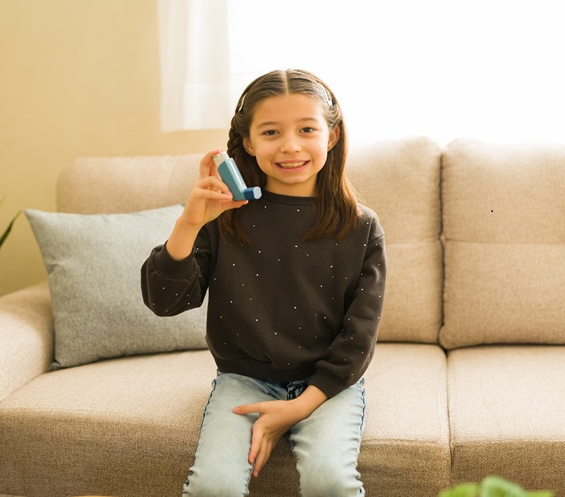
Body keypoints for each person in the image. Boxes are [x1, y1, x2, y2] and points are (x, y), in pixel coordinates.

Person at [141, 68, 386, 496]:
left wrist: (297, 408)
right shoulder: (224, 217)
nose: (290, 145)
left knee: (330, 481)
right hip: (244, 379)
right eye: (271, 132)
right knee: (211, 488)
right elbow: (164, 302)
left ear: (331, 135)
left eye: (306, 129)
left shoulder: (361, 227)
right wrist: (188, 223)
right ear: (249, 143)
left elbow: (358, 338)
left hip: (327, 386)